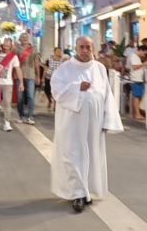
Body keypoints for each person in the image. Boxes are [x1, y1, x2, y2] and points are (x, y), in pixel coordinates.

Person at [51, 36, 124, 213]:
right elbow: (57, 92)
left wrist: (107, 120)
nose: (85, 50)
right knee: (73, 156)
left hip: (94, 124)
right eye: (82, 47)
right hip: (72, 123)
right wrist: (78, 88)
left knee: (92, 156)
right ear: (76, 48)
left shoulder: (99, 68)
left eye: (88, 47)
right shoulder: (65, 69)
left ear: (93, 48)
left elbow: (107, 95)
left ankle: (89, 191)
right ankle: (77, 194)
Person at [0, 37, 22, 132]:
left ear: (11, 45)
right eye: (4, 43)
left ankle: (7, 122)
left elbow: (18, 69)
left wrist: (21, 82)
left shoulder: (13, 57)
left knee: (7, 103)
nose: (6, 45)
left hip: (7, 83)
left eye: (8, 43)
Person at [14, 32, 41, 125]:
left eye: (26, 37)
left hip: (30, 75)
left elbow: (36, 63)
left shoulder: (33, 49)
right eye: (23, 37)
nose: (25, 38)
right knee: (20, 98)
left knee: (30, 97)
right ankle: (21, 116)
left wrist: (38, 76)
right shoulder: (16, 49)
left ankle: (30, 116)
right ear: (19, 39)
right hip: (19, 76)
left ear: (29, 39)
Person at [127, 47, 147, 120]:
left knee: (136, 96)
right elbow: (134, 67)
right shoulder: (133, 56)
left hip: (138, 79)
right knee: (136, 97)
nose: (144, 55)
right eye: (144, 53)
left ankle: (134, 113)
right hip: (135, 79)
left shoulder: (137, 57)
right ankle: (137, 114)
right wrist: (143, 64)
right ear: (140, 50)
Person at [44, 47, 66, 112]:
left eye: (60, 51)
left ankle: (55, 106)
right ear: (54, 52)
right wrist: (43, 78)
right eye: (57, 51)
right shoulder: (49, 59)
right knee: (47, 91)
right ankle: (50, 100)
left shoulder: (62, 60)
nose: (59, 52)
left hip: (58, 79)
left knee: (56, 92)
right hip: (48, 77)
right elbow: (46, 68)